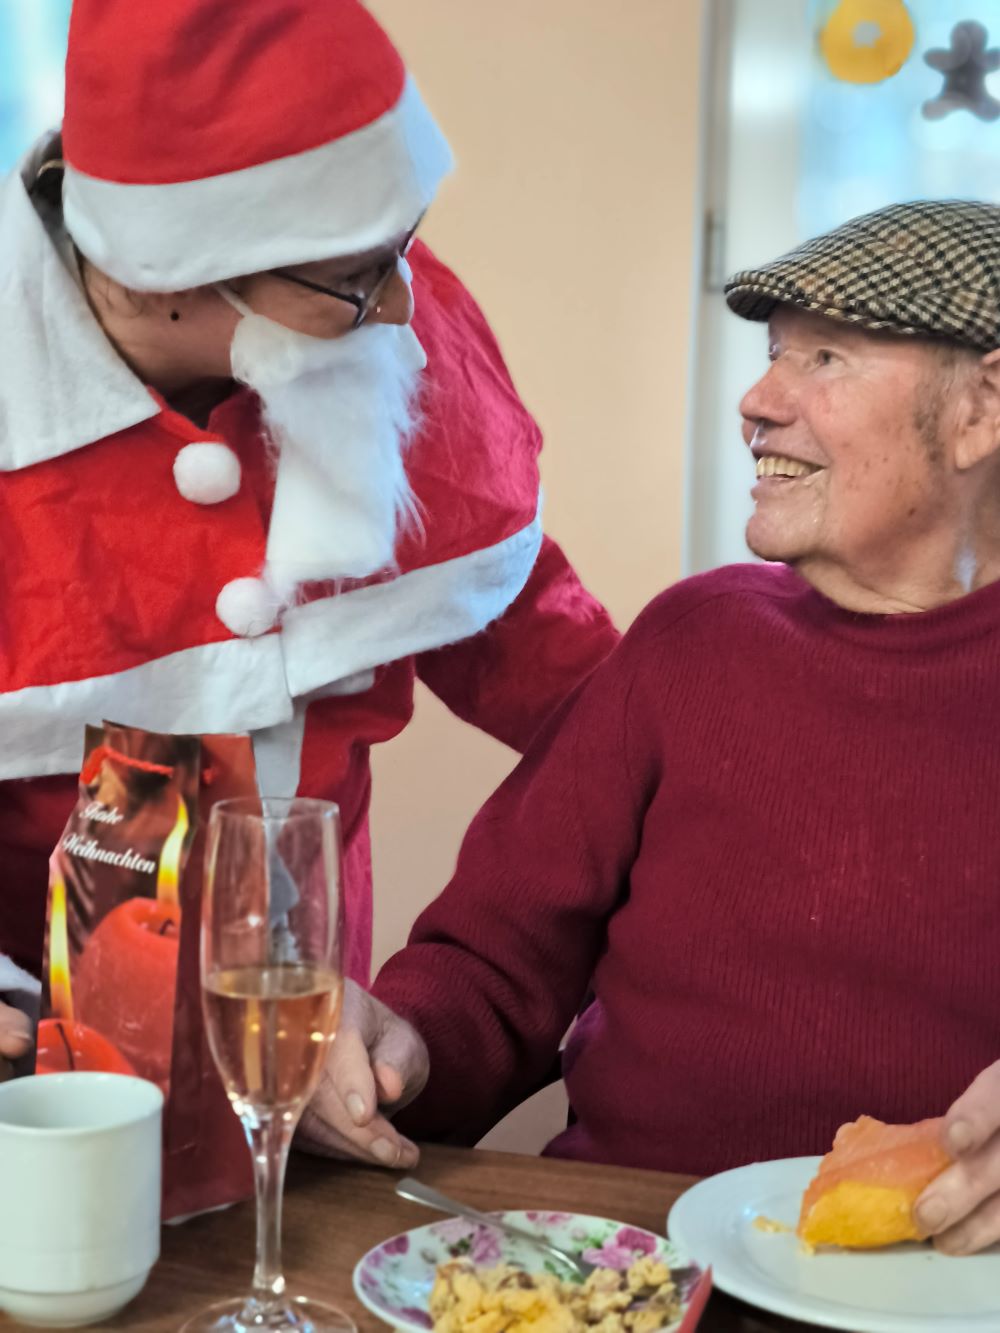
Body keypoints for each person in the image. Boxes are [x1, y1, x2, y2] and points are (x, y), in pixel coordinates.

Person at [306, 199, 1000, 1253]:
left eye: (826, 359)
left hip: (936, 1287)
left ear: (981, 410)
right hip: (626, 1260)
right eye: (772, 356)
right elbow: (493, 966)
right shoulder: (694, 640)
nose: (757, 400)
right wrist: (399, 1046)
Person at [0, 2, 618, 1080]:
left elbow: (535, 645)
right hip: (35, 1063)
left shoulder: (384, 319)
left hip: (310, 1011)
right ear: (160, 275)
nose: (400, 310)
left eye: (402, 247)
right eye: (350, 282)